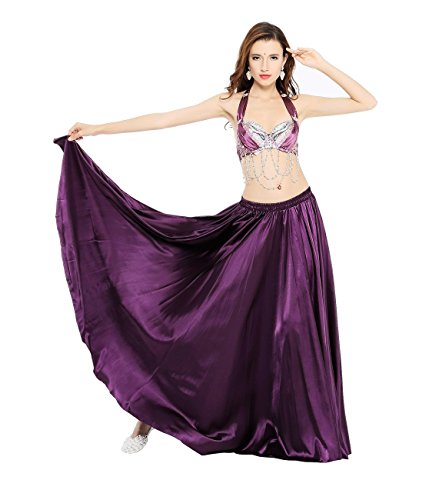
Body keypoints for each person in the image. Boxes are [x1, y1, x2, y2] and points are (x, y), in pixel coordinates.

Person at [54, 21, 376, 462]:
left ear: (285, 60)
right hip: (250, 224)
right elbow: (164, 119)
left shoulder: (298, 104)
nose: (265, 65)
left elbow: (366, 101)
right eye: (257, 57)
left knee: (292, 326)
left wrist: (322, 64)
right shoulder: (231, 104)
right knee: (208, 320)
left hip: (299, 220)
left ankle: (295, 427)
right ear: (247, 60)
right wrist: (98, 128)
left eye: (273, 57)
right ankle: (150, 413)